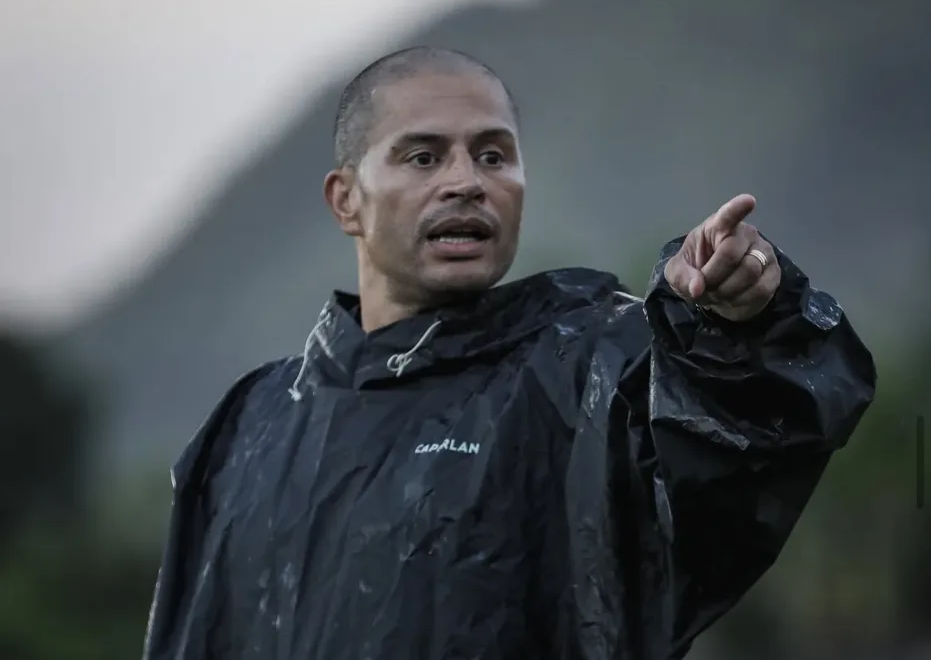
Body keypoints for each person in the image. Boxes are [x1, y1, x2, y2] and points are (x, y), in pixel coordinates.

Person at [141, 47, 876, 660]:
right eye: (423, 156)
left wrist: (735, 322)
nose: (466, 182)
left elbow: (744, 435)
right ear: (346, 200)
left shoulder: (589, 370)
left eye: (493, 155)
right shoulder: (248, 427)